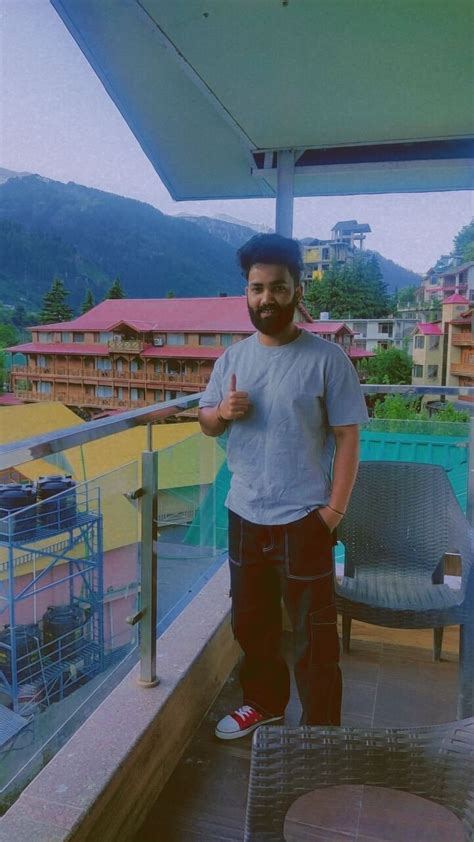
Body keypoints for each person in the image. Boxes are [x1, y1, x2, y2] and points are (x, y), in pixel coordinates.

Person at [198, 233, 368, 740]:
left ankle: (320, 730)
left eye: (277, 287)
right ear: (246, 293)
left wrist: (333, 514)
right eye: (257, 288)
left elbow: (348, 438)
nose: (266, 298)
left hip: (304, 519)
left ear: (297, 291)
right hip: (245, 513)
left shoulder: (327, 359)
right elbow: (206, 422)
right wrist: (222, 411)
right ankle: (264, 704)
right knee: (252, 625)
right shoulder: (231, 360)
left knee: (315, 635)